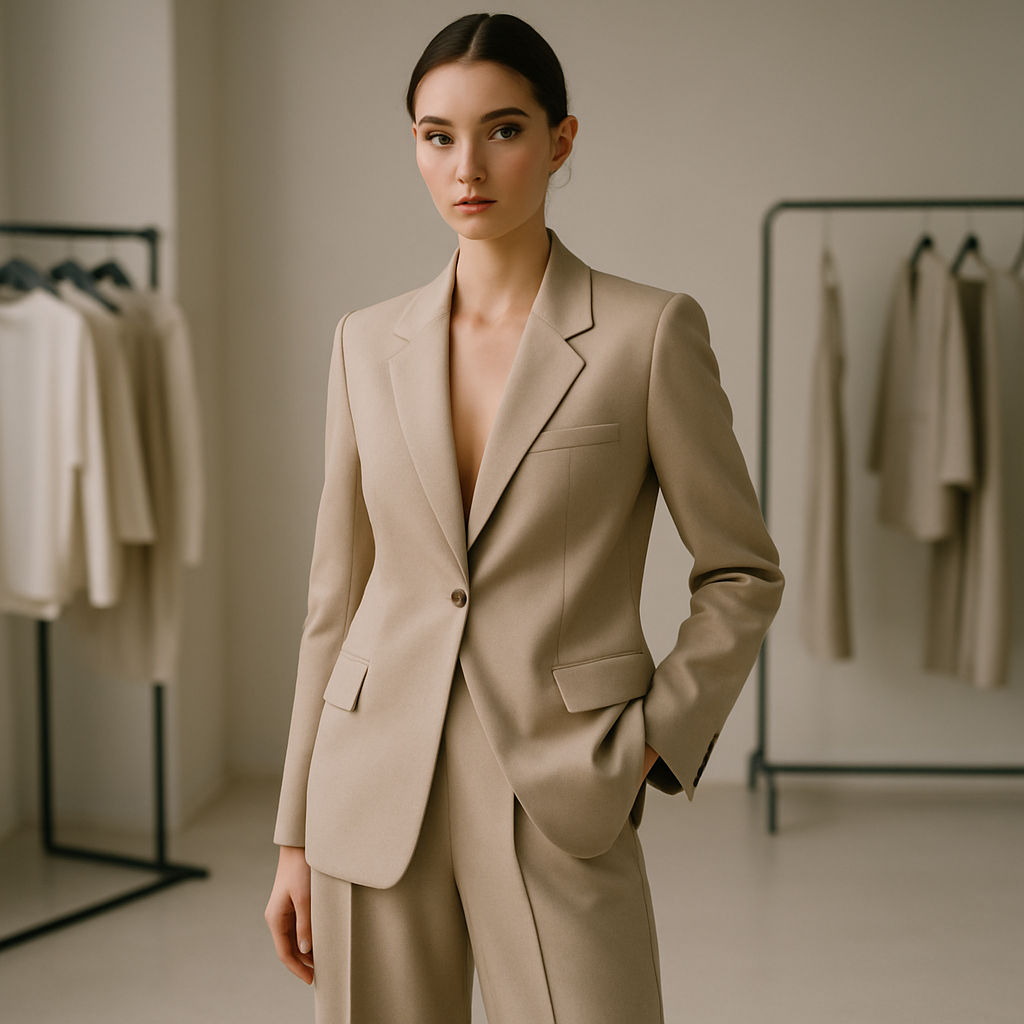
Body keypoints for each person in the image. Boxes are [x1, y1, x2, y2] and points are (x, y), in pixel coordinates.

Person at [265, 12, 783, 1023]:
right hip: (370, 790)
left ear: (560, 141)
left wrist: (645, 742)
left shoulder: (647, 332)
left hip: (560, 780)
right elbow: (334, 601)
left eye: (502, 130)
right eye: (436, 135)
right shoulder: (364, 343)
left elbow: (741, 572)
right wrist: (294, 833)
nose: (468, 167)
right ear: (414, 145)